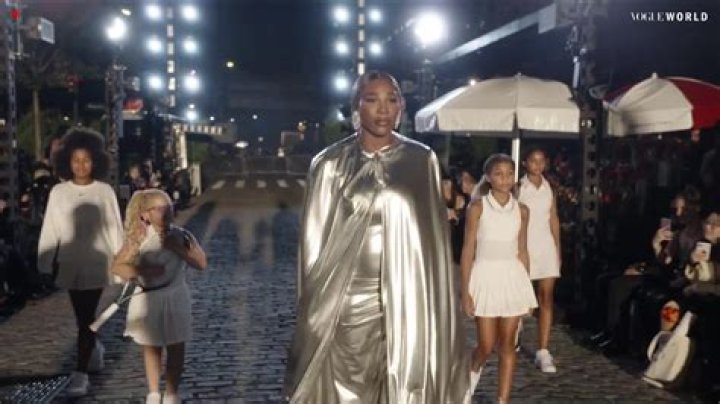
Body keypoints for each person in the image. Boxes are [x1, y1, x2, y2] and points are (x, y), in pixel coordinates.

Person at [283, 71, 468, 403]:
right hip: (346, 300)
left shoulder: (421, 160)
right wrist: (313, 310)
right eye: (372, 100)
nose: (383, 109)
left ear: (401, 106)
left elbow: (434, 241)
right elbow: (313, 247)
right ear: (357, 106)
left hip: (408, 294)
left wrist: (439, 301)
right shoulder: (328, 164)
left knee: (401, 381)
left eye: (391, 100)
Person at [37, 128, 124, 397]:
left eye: (86, 160)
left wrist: (122, 260)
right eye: (76, 160)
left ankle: (81, 373)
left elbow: (114, 228)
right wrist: (44, 262)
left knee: (86, 317)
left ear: (95, 161)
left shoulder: (104, 191)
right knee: (83, 317)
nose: (81, 165)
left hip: (97, 262)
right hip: (70, 262)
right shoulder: (59, 192)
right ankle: (93, 349)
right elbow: (51, 229)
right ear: (67, 161)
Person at [112, 189, 207, 404]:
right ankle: (153, 392)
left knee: (176, 346)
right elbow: (117, 266)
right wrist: (142, 271)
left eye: (168, 208)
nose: (165, 213)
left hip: (175, 295)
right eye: (158, 209)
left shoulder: (182, 235)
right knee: (151, 345)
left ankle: (171, 393)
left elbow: (201, 263)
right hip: (148, 298)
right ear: (145, 214)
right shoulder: (138, 238)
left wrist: (178, 249)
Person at [461, 153, 538, 403]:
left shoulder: (522, 211)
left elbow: (523, 250)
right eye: (498, 174)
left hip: (512, 279)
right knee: (486, 344)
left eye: (509, 174)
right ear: (488, 177)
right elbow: (468, 249)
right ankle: (468, 381)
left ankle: (502, 399)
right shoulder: (477, 207)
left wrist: (526, 291)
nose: (504, 179)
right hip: (485, 276)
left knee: (508, 344)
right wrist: (465, 290)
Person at [517, 147, 561, 373]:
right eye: (533, 161)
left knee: (546, 297)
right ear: (525, 163)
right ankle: (513, 336)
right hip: (524, 246)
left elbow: (553, 218)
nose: (537, 165)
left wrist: (558, 248)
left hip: (546, 247)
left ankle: (543, 350)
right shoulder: (518, 188)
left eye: (541, 161)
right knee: (521, 297)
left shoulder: (549, 187)